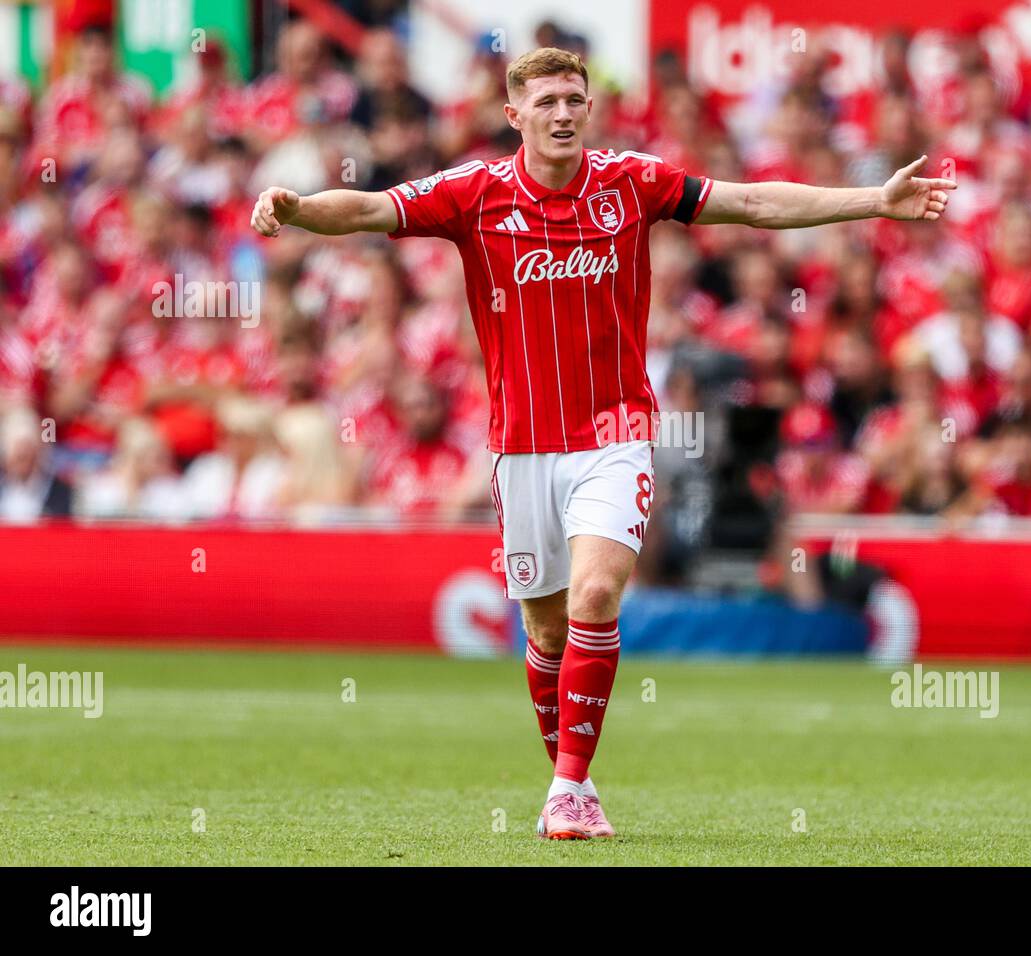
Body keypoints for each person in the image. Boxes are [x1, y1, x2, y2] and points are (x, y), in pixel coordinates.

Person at [249, 47, 956, 840]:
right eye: (547, 100)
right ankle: (570, 780)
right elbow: (372, 210)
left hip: (615, 434)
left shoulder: (632, 183)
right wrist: (301, 208)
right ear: (514, 115)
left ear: (589, 109)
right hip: (521, 447)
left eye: (574, 99)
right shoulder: (472, 194)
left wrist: (874, 200)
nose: (563, 113)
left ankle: (569, 787)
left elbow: (752, 203)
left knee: (593, 598)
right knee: (547, 631)